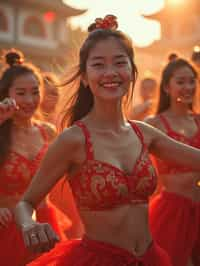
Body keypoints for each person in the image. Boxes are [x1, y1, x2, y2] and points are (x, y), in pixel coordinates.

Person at [14, 15, 200, 266]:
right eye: (99, 64)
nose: (111, 73)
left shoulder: (144, 133)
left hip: (151, 258)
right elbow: (26, 202)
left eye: (120, 63)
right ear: (84, 76)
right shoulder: (74, 139)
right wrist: (29, 225)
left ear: (132, 71)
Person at [0, 49, 68, 266]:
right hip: (7, 227)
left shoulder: (48, 132)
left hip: (45, 223)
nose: (30, 100)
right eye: (21, 93)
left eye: (35, 92)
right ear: (5, 94)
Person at [145, 58, 200, 266]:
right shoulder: (154, 123)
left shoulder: (199, 120)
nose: (188, 87)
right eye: (181, 82)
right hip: (172, 213)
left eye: (192, 81)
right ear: (167, 87)